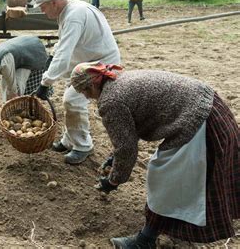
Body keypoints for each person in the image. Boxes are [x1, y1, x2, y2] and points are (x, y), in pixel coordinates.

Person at [70, 63, 239, 248]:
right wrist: (115, 157)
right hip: (213, 107)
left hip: (199, 122)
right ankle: (160, 231)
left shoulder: (110, 101)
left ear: (92, 85)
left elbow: (126, 148)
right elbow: (127, 135)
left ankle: (144, 241)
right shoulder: (119, 80)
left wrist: (113, 180)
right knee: (183, 177)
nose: (86, 97)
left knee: (164, 178)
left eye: (84, 92)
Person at [32, 0, 121, 165]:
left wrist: (45, 83)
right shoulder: (70, 9)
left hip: (100, 64)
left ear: (54, 2)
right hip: (88, 60)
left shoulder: (74, 15)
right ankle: (69, 140)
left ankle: (83, 146)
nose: (42, 10)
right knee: (70, 98)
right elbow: (64, 41)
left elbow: (65, 54)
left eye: (43, 6)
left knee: (72, 99)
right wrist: (52, 55)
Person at [0, 36, 51, 116]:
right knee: (6, 85)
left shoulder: (3, 63)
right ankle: (13, 108)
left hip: (32, 52)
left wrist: (15, 107)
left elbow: (13, 89)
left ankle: (22, 109)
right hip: (18, 55)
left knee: (18, 86)